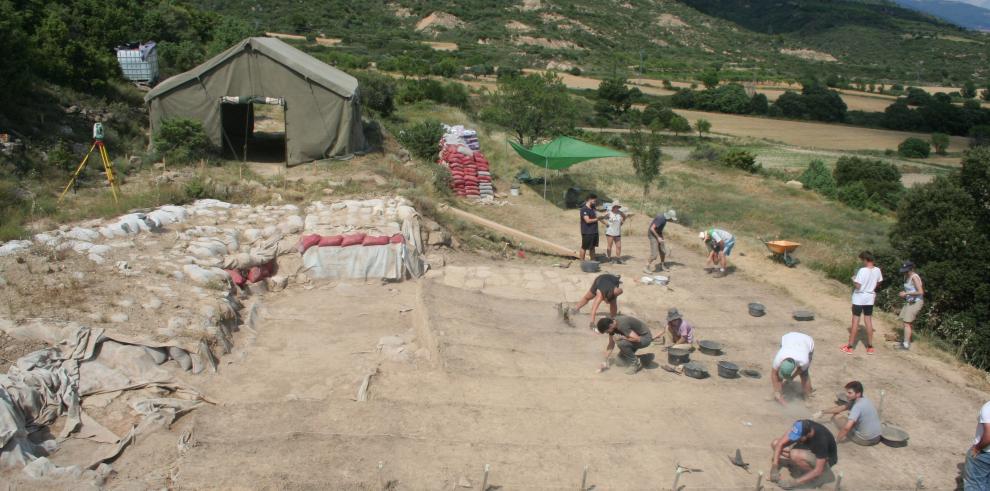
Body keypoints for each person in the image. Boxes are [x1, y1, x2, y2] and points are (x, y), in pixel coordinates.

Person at [770, 419, 838, 489]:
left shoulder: (821, 440)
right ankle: (798, 463)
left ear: (807, 434)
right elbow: (779, 444)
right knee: (775, 443)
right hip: (808, 449)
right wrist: (774, 467)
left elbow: (818, 470)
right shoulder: (800, 425)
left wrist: (794, 482)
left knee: (795, 454)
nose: (795, 439)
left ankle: (815, 478)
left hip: (825, 461)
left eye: (798, 437)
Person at [841, 251, 883, 355]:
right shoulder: (877, 270)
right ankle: (870, 347)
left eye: (862, 260)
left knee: (855, 321)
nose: (862, 262)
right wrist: (872, 286)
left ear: (865, 259)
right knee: (868, 320)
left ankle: (850, 347)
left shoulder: (862, 270)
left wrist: (854, 280)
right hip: (870, 297)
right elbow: (879, 282)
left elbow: (858, 286)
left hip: (859, 297)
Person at [816, 381, 882, 446]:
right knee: (849, 418)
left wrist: (836, 440)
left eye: (850, 393)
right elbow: (842, 407)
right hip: (877, 437)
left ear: (858, 394)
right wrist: (822, 412)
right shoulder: (864, 399)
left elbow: (847, 428)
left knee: (836, 417)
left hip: (865, 440)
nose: (847, 394)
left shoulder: (857, 406)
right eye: (847, 392)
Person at [771, 332, 815, 405]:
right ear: (781, 363)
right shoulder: (778, 359)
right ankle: (778, 393)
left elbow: (801, 369)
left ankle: (808, 396)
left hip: (807, 341)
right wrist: (776, 391)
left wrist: (792, 376)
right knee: (778, 376)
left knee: (804, 374)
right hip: (789, 337)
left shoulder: (804, 360)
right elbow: (773, 374)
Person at [896, 261, 924, 350]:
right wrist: (904, 294)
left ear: (912, 269)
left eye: (907, 270)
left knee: (907, 323)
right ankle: (906, 340)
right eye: (904, 270)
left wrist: (906, 293)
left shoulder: (914, 277)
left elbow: (920, 292)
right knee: (905, 321)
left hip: (916, 302)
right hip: (910, 301)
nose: (905, 272)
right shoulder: (906, 276)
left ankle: (906, 345)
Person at [964, 401, 990, 490]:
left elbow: (989, 435)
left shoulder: (988, 407)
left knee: (974, 485)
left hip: (985, 453)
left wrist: (977, 448)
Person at [579, 194, 600, 261]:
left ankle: (593, 261)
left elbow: (598, 216)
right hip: (587, 232)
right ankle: (582, 261)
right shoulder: (584, 209)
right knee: (584, 247)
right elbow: (587, 220)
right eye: (594, 199)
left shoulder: (593, 208)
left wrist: (605, 219)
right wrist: (597, 219)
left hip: (594, 231)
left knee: (593, 247)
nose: (595, 201)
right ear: (589, 199)